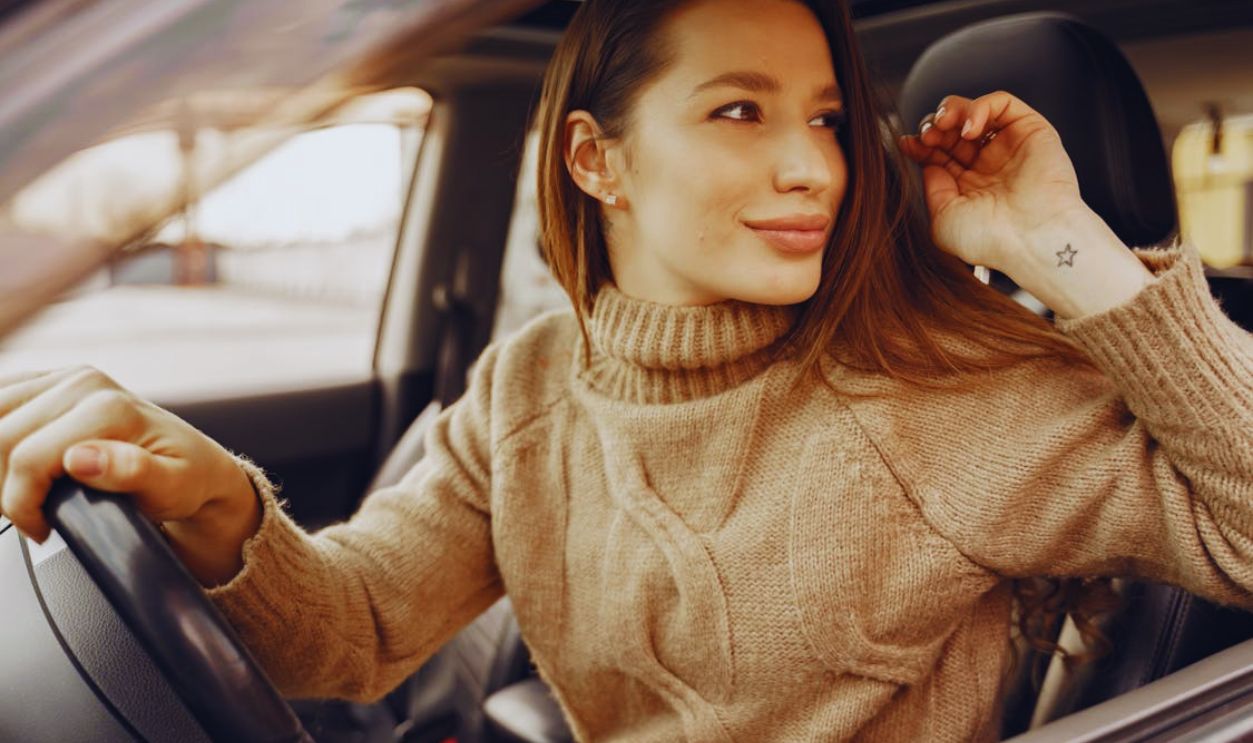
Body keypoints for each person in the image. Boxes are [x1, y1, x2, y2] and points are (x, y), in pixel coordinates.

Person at [2, 0, 1251, 740]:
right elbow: (359, 633)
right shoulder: (529, 386)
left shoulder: (934, 394)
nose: (815, 168)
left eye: (823, 117)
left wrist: (1059, 242)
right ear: (597, 162)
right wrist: (221, 507)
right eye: (737, 112)